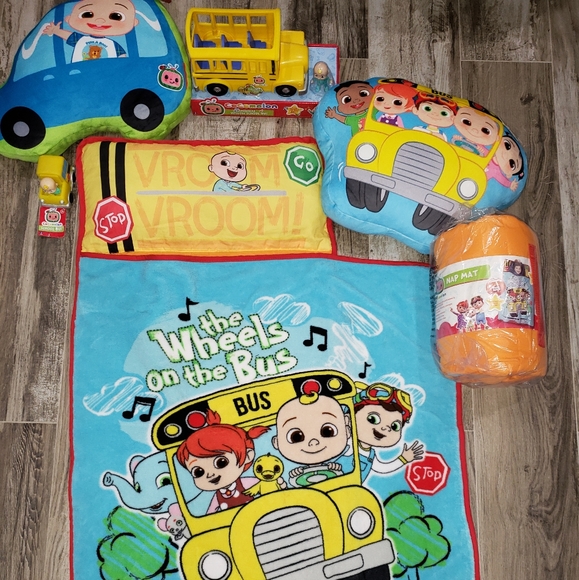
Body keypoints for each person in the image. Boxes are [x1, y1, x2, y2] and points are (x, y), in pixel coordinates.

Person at [176, 410, 268, 513]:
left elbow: (267, 490)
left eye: (221, 462)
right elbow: (210, 513)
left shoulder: (250, 483)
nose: (210, 475)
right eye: (198, 472)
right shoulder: (217, 497)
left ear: (247, 456)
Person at [272, 381, 353, 487]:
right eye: (296, 437)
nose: (313, 442)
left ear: (347, 430)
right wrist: (295, 474)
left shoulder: (348, 460)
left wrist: (334, 468)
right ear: (276, 442)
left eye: (327, 431)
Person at [353, 384, 423, 482]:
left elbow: (381, 468)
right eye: (372, 419)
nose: (385, 428)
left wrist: (403, 459)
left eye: (395, 426)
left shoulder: (370, 455)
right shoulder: (346, 442)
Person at [42, 0, 139, 63]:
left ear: (134, 22)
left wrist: (123, 66)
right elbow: (67, 36)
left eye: (116, 16)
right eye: (87, 14)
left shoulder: (112, 44)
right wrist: (55, 30)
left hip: (107, 72)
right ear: (68, 19)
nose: (100, 20)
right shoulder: (81, 39)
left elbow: (122, 55)